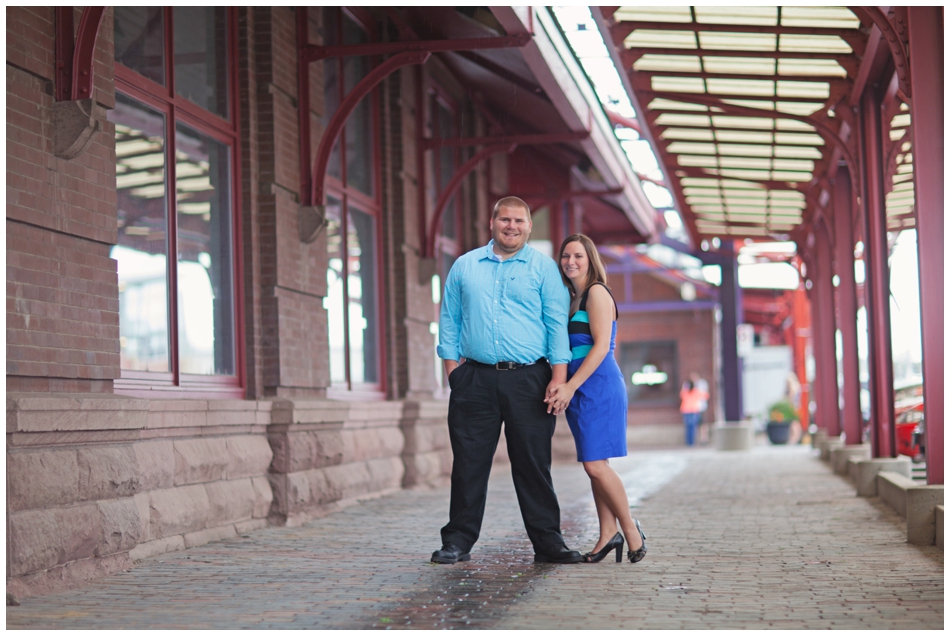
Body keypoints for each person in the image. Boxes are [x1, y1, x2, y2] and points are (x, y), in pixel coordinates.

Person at [432, 196, 583, 565]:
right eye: (505, 219)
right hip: (475, 379)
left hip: (530, 379)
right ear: (492, 222)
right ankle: (457, 542)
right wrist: (455, 373)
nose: (511, 226)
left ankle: (549, 544)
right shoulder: (465, 267)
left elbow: (555, 325)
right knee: (469, 464)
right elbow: (449, 321)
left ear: (529, 226)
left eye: (519, 221)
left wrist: (559, 378)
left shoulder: (544, 269)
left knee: (533, 464)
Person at [544, 234, 647, 564]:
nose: (570, 262)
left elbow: (601, 347)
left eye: (578, 256)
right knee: (595, 464)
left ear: (590, 260)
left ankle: (630, 530)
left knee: (594, 464)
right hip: (579, 387)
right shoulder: (573, 298)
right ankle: (607, 534)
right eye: (565, 256)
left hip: (598, 386)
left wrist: (571, 386)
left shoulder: (597, 293)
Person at [679, 379, 708, 447]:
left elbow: (681, 395)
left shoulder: (685, 392)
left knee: (688, 427)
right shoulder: (696, 391)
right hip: (693, 410)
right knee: (692, 427)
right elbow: (706, 396)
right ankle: (691, 442)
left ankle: (689, 442)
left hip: (686, 410)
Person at [690, 372, 710, 444]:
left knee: (703, 423)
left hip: (701, 407)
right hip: (692, 408)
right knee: (695, 424)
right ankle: (696, 439)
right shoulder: (689, 384)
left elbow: (705, 395)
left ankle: (704, 438)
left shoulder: (702, 384)